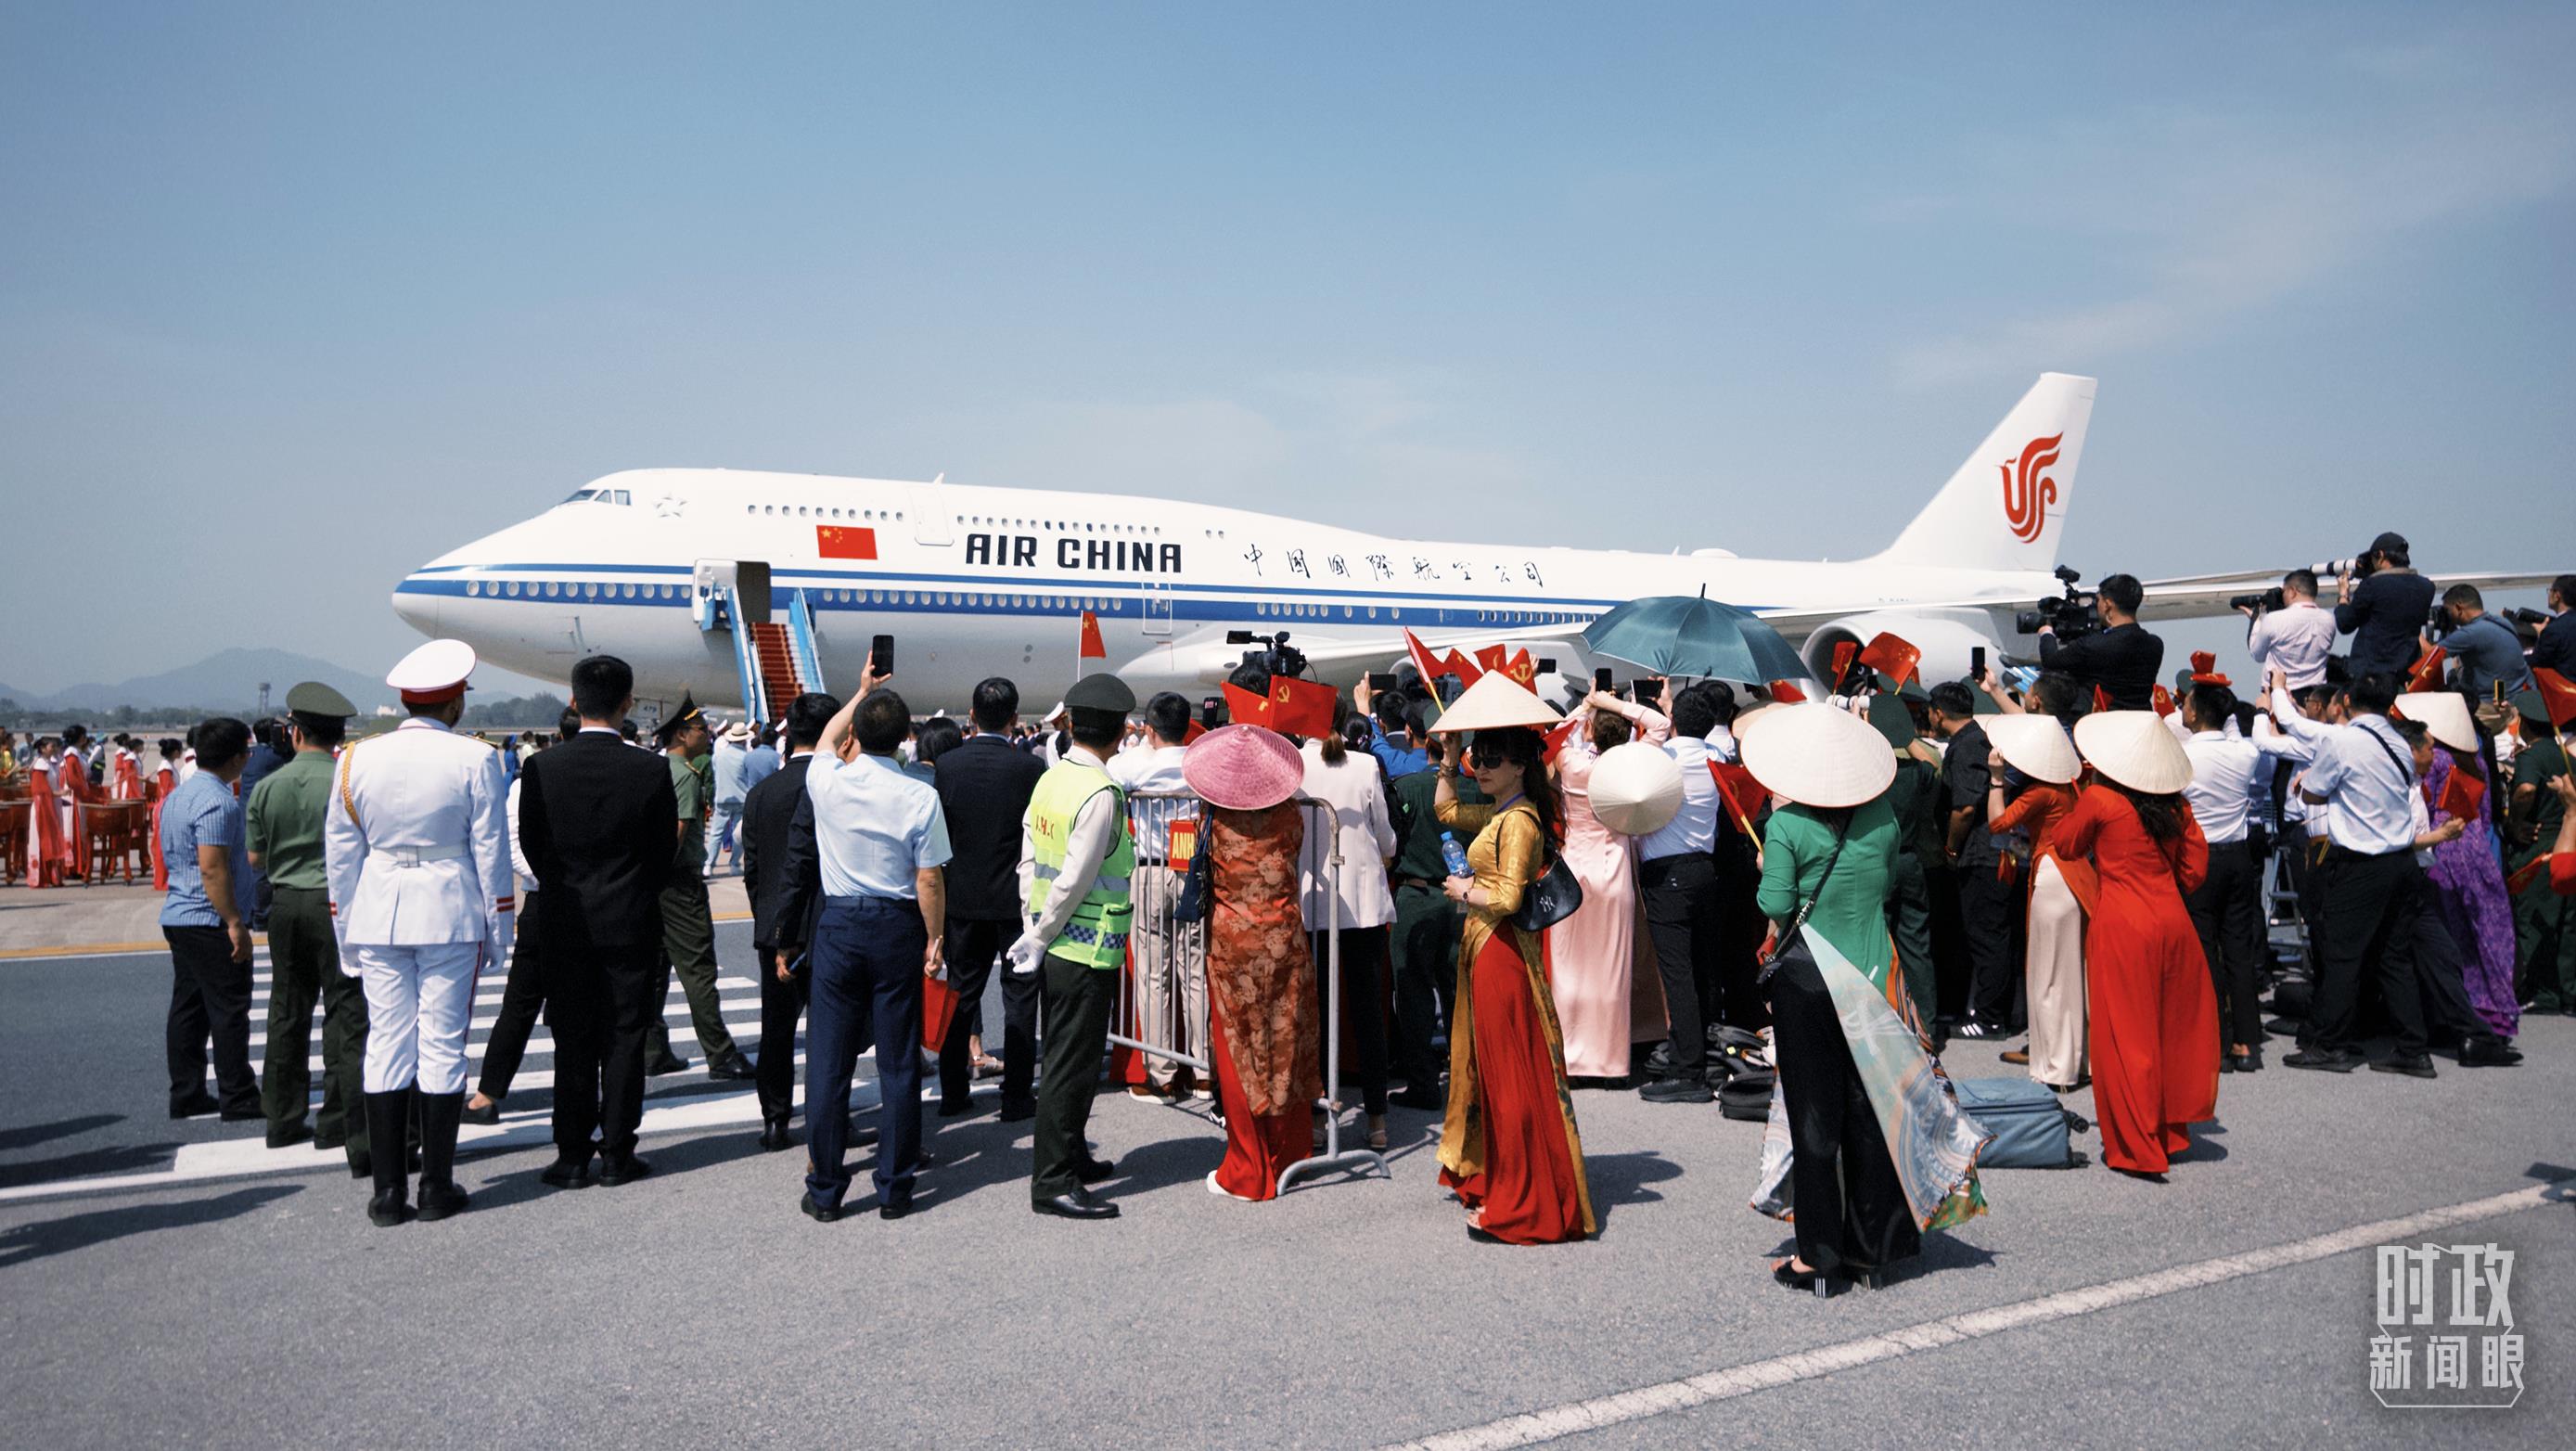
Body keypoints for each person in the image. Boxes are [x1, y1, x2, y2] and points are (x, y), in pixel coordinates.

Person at [1750, 702, 1986, 1291]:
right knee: (1875, 1108)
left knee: (1814, 1117)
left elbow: (1775, 904)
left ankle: (1818, 1257)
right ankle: (1873, 1248)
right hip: (1877, 973)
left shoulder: (1786, 824)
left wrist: (1767, 862)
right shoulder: (1881, 817)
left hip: (1810, 978)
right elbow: (1882, 887)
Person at [324, 640, 515, 1226]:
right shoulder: (475, 758)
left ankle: (387, 1193)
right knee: (441, 1044)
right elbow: (490, 852)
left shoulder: (355, 758)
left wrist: (346, 930)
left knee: (385, 1044)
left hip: (379, 907)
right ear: (455, 702)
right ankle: (435, 1185)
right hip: (449, 908)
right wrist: (499, 927)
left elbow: (341, 854)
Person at [518, 654, 679, 1190]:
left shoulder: (542, 768)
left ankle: (571, 1154)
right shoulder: (650, 769)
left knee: (572, 1038)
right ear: (628, 703)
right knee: (626, 1036)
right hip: (630, 919)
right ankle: (617, 1151)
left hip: (566, 920)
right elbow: (662, 852)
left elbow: (534, 848)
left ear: (573, 700)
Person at [1433, 713, 1594, 1245]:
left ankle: (1524, 1197)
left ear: (1520, 766)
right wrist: (1449, 757)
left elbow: (1507, 898)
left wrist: (1464, 890)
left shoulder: (1520, 821)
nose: (1480, 766)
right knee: (1491, 1072)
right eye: (1477, 757)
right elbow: (1446, 810)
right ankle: (1504, 1179)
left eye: (1491, 759)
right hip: (1487, 951)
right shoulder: (1501, 811)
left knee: (1510, 1077)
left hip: (1501, 952)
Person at [797, 675, 948, 1224]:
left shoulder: (828, 779)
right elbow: (928, 878)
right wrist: (934, 937)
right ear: (907, 737)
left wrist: (860, 693)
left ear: (854, 735)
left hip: (839, 921)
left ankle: (826, 1188)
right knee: (898, 1062)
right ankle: (895, 1186)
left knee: (829, 1064)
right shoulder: (920, 795)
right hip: (895, 923)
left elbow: (823, 740)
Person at [2052, 713, 2220, 1178]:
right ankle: (2168, 1133)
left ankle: (2137, 1146)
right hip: (2173, 922)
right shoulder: (2177, 808)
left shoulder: (2101, 799)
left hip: (2123, 924)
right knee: (2169, 1031)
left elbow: (2065, 844)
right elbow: (2194, 873)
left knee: (2124, 1034)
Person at [1009, 672, 1139, 1220]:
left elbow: (1029, 860)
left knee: (1075, 1060)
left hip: (1051, 941)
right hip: (1083, 948)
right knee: (1069, 1064)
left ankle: (1072, 1154)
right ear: (1119, 732)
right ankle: (1053, 1181)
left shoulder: (1052, 779)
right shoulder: (1101, 793)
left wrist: (1032, 926)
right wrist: (1041, 934)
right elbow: (1076, 879)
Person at [2276, 670, 2444, 1075]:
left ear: (2347, 701)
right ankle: (2413, 1049)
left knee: (2341, 956)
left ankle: (2330, 1044)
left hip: (2360, 862)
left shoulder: (2342, 741)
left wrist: (2312, 786)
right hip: (2401, 861)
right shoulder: (2399, 744)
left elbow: (2313, 792)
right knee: (2393, 957)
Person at [1185, 725, 1325, 1199]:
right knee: (1286, 1041)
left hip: (1233, 940)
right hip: (1284, 933)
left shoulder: (1213, 816)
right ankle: (1290, 1152)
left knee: (1238, 1047)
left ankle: (1248, 1168)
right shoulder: (1291, 813)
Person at [246, 683, 371, 1162]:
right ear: (339, 735)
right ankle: (335, 1121)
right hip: (336, 905)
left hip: (285, 903)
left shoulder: (269, 785)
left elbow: (255, 858)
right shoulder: (347, 782)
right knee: (345, 1012)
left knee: (286, 1009)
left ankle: (281, 1118)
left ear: (295, 733)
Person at [930, 676, 1049, 1119]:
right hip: (1014, 899)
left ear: (972, 715)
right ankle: (1016, 1095)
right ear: (1015, 718)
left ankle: (953, 1091)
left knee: (960, 995)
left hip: (962, 898)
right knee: (1020, 997)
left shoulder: (948, 765)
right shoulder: (1029, 769)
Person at [462, 707, 584, 1129]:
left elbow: (510, 844)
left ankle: (487, 1095)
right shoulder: (610, 769)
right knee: (576, 1006)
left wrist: (545, 878)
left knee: (520, 1005)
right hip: (583, 901)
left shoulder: (528, 779)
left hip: (543, 899)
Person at [736, 692, 838, 1150]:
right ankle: (830, 1116)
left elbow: (753, 870)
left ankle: (775, 1119)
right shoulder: (834, 785)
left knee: (776, 1031)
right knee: (829, 1030)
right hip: (828, 924)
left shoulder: (762, 793)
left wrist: (771, 923)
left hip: (775, 928)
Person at [1297, 699, 1400, 1146]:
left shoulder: (1296, 764)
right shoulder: (1364, 764)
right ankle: (1377, 1120)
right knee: (1368, 1012)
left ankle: (1318, 1119)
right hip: (1362, 901)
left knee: (1316, 1014)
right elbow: (1385, 833)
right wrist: (1386, 851)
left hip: (1315, 901)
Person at [1549, 689, 1665, 1082]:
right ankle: (1612, 1062)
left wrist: (1586, 706)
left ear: (1591, 732)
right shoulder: (1631, 765)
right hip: (1615, 870)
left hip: (1575, 868)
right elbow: (1660, 724)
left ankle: (1571, 1058)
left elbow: (1554, 736)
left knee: (1570, 968)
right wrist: (1616, 705)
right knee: (1613, 969)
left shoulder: (1573, 764)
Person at [645, 695, 755, 1082]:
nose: (707, 734)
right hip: (679, 883)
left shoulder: (659, 768)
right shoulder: (686, 776)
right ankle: (720, 1053)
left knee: (657, 969)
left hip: (655, 884)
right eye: (700, 729)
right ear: (681, 734)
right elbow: (677, 834)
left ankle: (652, 1049)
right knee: (699, 970)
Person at [159, 716, 263, 1124]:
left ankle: (187, 1092)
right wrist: (234, 921)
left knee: (189, 1008)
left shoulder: (179, 796)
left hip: (180, 913)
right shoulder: (218, 802)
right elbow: (213, 867)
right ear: (236, 758)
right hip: (209, 918)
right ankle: (238, 1094)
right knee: (229, 1008)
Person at [1983, 714, 2093, 1090]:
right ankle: (2079, 1058)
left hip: (2053, 876)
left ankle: (2057, 1066)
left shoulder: (2040, 793)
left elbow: (1998, 823)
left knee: (2048, 976)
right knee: (2074, 973)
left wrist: (1996, 780)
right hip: (2077, 876)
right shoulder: (2070, 787)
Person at [1109, 690, 1206, 1101]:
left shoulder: (1134, 764)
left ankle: (1161, 1072)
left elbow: (1112, 773)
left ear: (1149, 729)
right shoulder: (1200, 762)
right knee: (1195, 969)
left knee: (1153, 974)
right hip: (1190, 870)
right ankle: (1204, 1071)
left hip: (1150, 869)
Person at [2404, 693, 2518, 1044]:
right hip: (2475, 847)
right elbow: (2484, 814)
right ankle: (2494, 1011)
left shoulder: (2435, 759)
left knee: (2447, 936)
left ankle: (2451, 1013)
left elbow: (2421, 805)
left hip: (2443, 847)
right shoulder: (2475, 761)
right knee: (2484, 932)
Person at [1634, 682, 1725, 1104]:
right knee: (1703, 969)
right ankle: (1703, 1052)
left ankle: (1688, 1070)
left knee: (1678, 975)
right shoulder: (1717, 757)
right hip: (1705, 869)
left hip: (1666, 874)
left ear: (1672, 720)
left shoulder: (1662, 759)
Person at [1387, 710, 1475, 1111]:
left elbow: (1389, 844)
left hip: (1417, 897)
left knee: (1414, 995)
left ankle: (1424, 1083)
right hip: (1463, 900)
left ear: (1416, 736)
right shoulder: (1476, 791)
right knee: (1459, 995)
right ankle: (1464, 1082)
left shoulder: (1406, 787)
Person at [1929, 682, 2015, 1038]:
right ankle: (1995, 1011)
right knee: (1994, 935)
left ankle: (1991, 1017)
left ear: (1939, 713)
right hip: (1997, 851)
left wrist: (1950, 848)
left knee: (1986, 937)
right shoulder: (1980, 739)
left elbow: (1963, 809)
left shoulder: (1964, 748)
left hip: (1980, 855)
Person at [2509, 690, 2576, 1011]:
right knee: (2567, 921)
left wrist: (2514, 821)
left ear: (2525, 724)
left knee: (2535, 918)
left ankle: (2540, 989)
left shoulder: (2531, 756)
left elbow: (2525, 790)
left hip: (2540, 842)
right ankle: (2569, 991)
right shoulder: (2568, 757)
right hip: (2569, 838)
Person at [2038, 573, 2165, 710]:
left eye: (2098, 600)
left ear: (2107, 605)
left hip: (2103, 719)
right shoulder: (2155, 644)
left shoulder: (2092, 646)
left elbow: (2050, 661)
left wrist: (2046, 632)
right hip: (2141, 718)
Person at [2335, 533, 2437, 682]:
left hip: (2370, 676)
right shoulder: (2427, 587)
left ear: (2380, 555)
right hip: (2404, 674)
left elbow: (2345, 624)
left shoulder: (2372, 585)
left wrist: (2343, 595)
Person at [2241, 569, 2339, 690]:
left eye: (2284, 591)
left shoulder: (2273, 619)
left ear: (2292, 591)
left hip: (2281, 691)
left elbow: (2258, 655)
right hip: (2316, 694)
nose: (2283, 596)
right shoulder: (2329, 619)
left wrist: (2256, 621)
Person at [2435, 584, 2532, 701]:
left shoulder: (2470, 633)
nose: (2447, 615)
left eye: (2447, 611)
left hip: (2493, 704)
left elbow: (2430, 656)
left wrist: (2416, 628)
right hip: (2521, 698)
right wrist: (2448, 629)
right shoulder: (2503, 623)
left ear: (2458, 608)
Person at [709, 720, 753, 875]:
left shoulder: (718, 756)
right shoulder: (746, 757)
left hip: (722, 797)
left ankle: (709, 865)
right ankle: (734, 864)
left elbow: (716, 774)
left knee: (716, 833)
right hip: (741, 798)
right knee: (738, 834)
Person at [2528, 573, 2576, 677]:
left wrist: (2541, 636)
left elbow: (2536, 662)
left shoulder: (2554, 630)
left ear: (2557, 596)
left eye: (2550, 590)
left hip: (2566, 686)